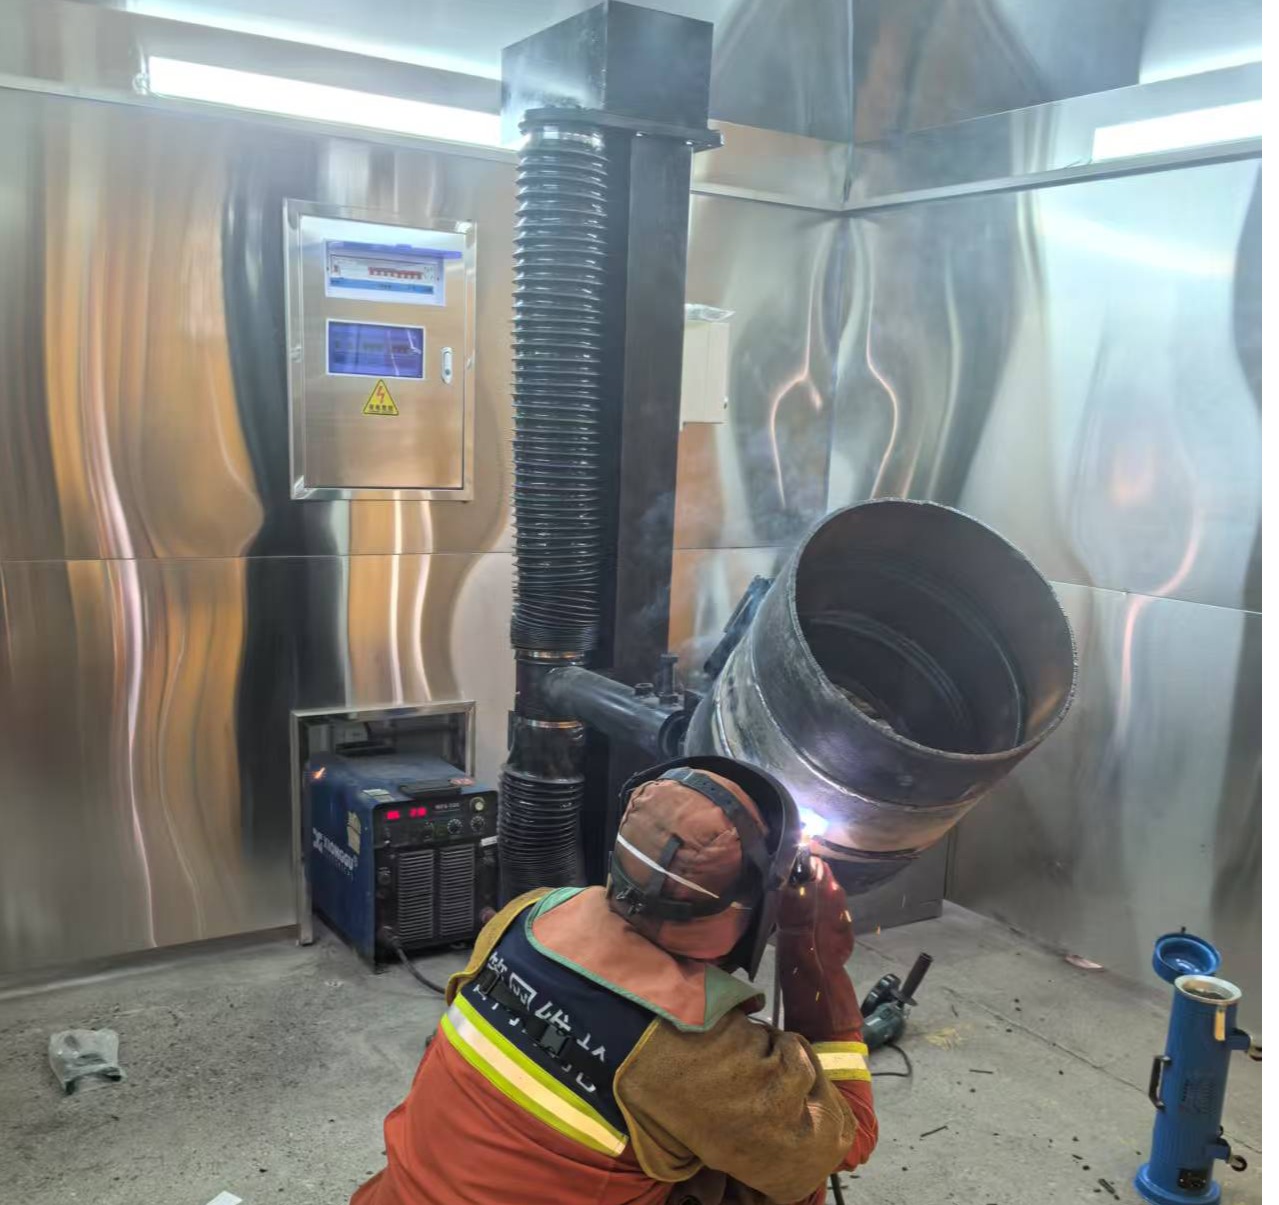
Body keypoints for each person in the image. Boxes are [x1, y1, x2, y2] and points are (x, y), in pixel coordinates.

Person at [352, 756, 877, 1205]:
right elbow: (845, 1138)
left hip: (399, 1194)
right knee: (781, 1180)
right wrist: (815, 958)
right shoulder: (698, 1053)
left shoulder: (529, 915)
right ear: (756, 903)